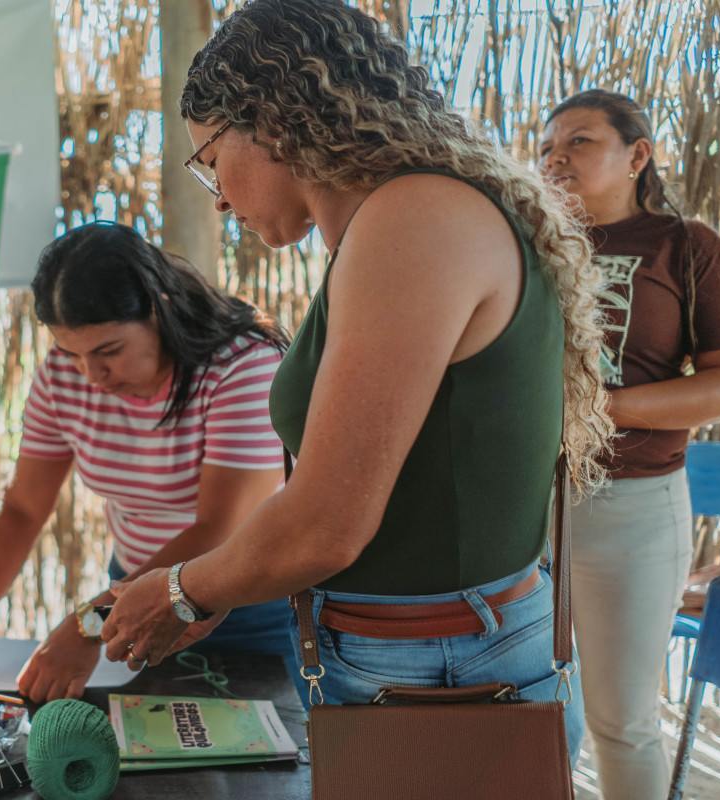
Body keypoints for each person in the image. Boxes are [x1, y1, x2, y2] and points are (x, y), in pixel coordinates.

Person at [100, 0, 614, 765]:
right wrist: (227, 579)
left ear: (268, 120)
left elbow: (329, 522)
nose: (218, 198)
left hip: (441, 674)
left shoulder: (414, 221)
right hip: (429, 663)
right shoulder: (405, 218)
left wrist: (185, 590)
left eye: (209, 160)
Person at [0, 221, 296, 703]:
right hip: (131, 599)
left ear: (160, 308)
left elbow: (218, 530)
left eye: (110, 351)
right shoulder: (65, 375)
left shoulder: (243, 365)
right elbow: (22, 508)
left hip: (248, 606)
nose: (92, 376)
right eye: (71, 353)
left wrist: (88, 626)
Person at [539, 89, 720, 799]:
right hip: (524, 508)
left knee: (622, 721)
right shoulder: (525, 246)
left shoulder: (684, 247)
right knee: (528, 708)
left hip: (633, 506)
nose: (557, 156)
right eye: (549, 146)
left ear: (637, 155)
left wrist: (600, 409)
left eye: (580, 141)